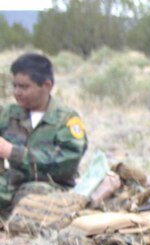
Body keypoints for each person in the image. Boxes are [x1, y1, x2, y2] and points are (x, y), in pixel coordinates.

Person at [0, 53, 87, 213]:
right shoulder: (9, 114)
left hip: (50, 188)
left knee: (32, 195)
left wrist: (12, 152)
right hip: (11, 183)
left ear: (46, 86)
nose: (17, 92)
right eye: (14, 86)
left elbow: (66, 163)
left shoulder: (66, 120)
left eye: (24, 87)